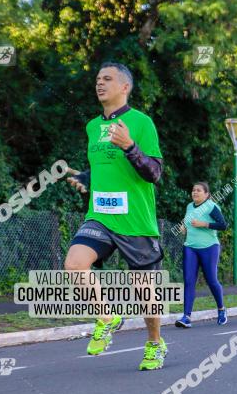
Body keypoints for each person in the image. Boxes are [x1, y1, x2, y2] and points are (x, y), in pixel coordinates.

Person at [64, 62, 168, 370]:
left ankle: (154, 343)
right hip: (101, 216)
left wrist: (130, 147)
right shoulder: (92, 127)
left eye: (107, 79)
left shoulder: (141, 123)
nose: (100, 83)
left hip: (135, 221)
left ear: (125, 87)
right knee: (74, 264)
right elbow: (104, 170)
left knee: (146, 295)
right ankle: (107, 316)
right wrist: (86, 179)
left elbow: (155, 173)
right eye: (97, 79)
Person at [175, 182, 228, 328]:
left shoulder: (211, 206)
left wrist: (204, 224)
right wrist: (183, 227)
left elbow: (223, 225)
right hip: (190, 247)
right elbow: (187, 223)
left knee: (211, 280)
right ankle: (186, 316)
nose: (195, 192)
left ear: (206, 194)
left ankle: (222, 309)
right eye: (193, 190)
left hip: (209, 247)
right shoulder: (189, 206)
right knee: (189, 281)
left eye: (198, 190)